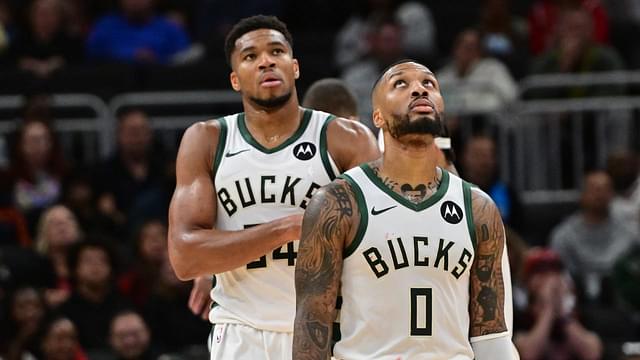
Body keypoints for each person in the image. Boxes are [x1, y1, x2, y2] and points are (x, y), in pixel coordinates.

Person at [167, 15, 379, 360]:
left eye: (276, 51)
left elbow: (377, 243)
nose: (266, 60)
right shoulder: (206, 140)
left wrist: (224, 252)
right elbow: (185, 257)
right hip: (240, 333)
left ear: (294, 67)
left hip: (327, 331)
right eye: (251, 56)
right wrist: (290, 227)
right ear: (235, 79)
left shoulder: (346, 139)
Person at [293, 60, 517, 359]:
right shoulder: (338, 203)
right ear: (376, 117)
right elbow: (312, 324)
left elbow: (491, 335)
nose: (419, 89)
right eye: (401, 83)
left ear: (441, 109)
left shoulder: (477, 207)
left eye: (429, 84)